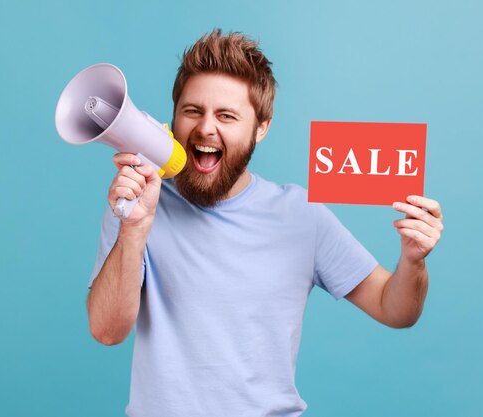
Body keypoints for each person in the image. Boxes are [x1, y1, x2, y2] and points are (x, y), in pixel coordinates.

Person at [86, 29, 444, 417]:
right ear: (173, 117)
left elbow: (395, 310)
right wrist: (134, 227)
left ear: (262, 127)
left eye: (226, 115)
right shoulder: (135, 206)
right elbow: (107, 331)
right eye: (193, 111)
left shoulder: (301, 216)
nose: (206, 128)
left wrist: (414, 261)